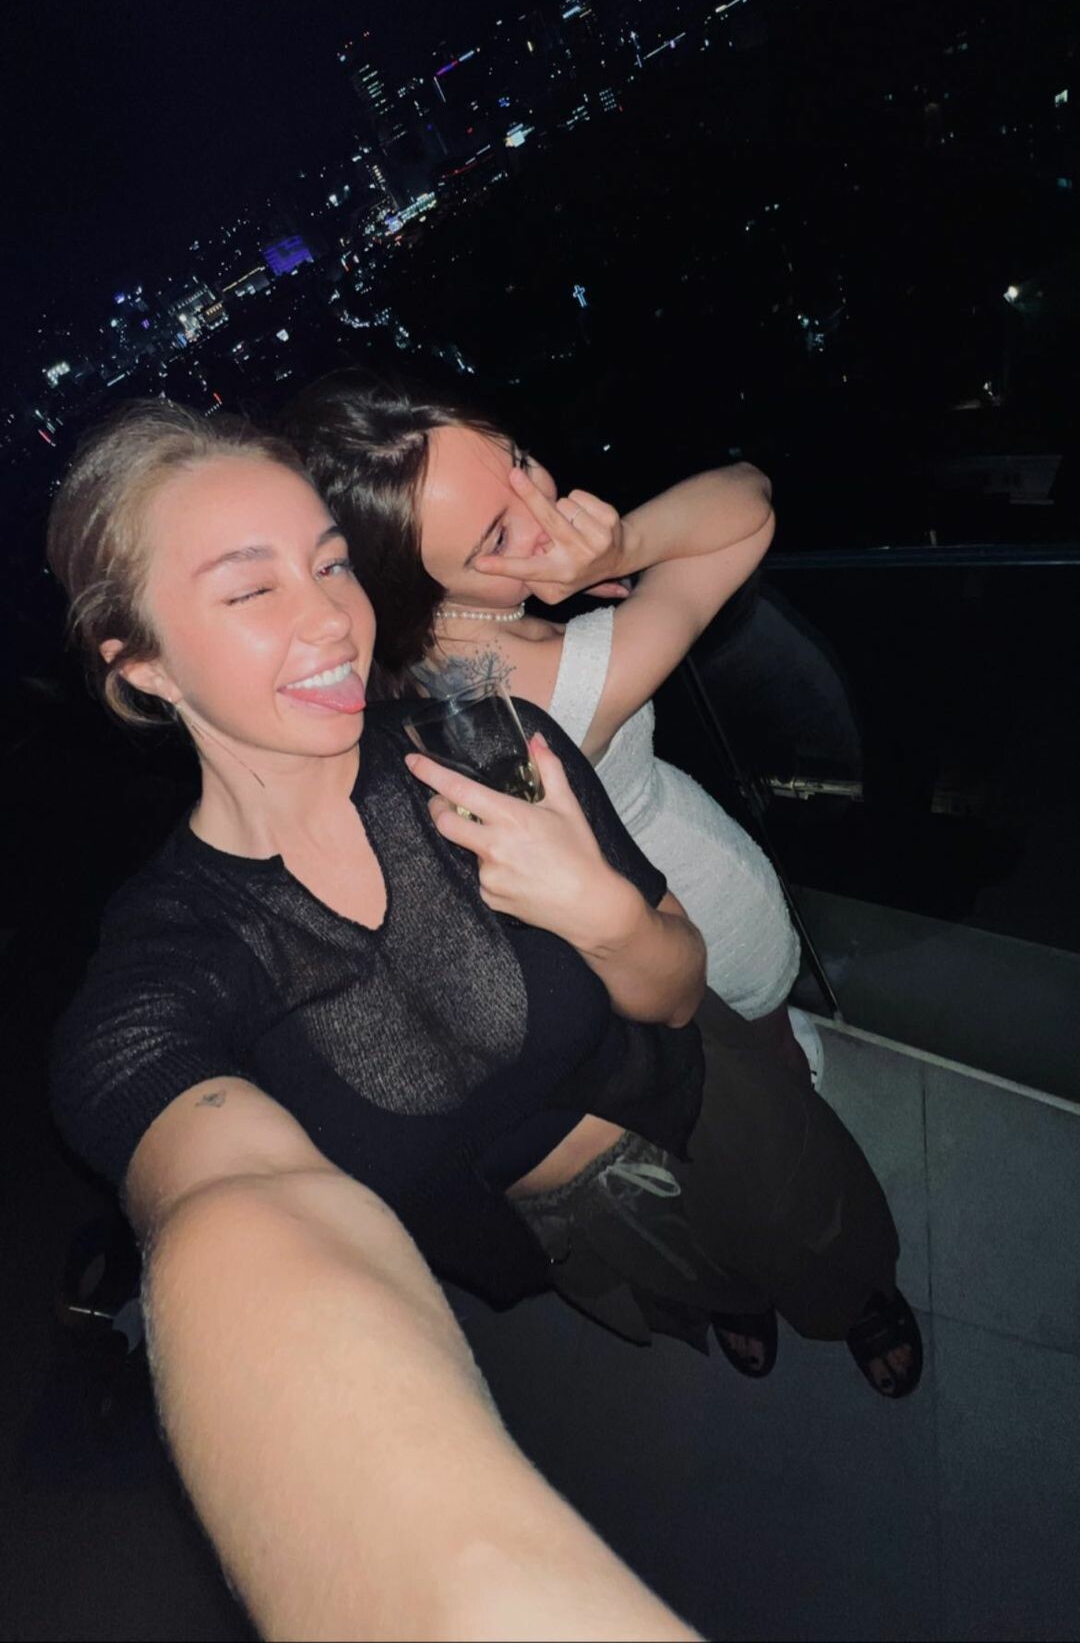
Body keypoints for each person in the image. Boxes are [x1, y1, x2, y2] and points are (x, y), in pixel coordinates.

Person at [47, 407, 920, 1640]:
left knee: (826, 1240)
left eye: (331, 563)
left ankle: (861, 1299)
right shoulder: (169, 959)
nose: (330, 618)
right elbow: (225, 1196)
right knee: (697, 1295)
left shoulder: (485, 743)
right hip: (556, 1231)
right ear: (140, 662)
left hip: (704, 1095)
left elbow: (677, 990)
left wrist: (604, 916)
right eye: (251, 589)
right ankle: (731, 1303)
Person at [280, 370, 824, 1087]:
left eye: (519, 463)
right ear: (412, 585)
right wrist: (623, 546)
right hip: (700, 907)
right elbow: (749, 501)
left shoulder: (413, 670)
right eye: (500, 534)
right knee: (775, 1066)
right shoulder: (557, 683)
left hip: (616, 928)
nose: (546, 514)